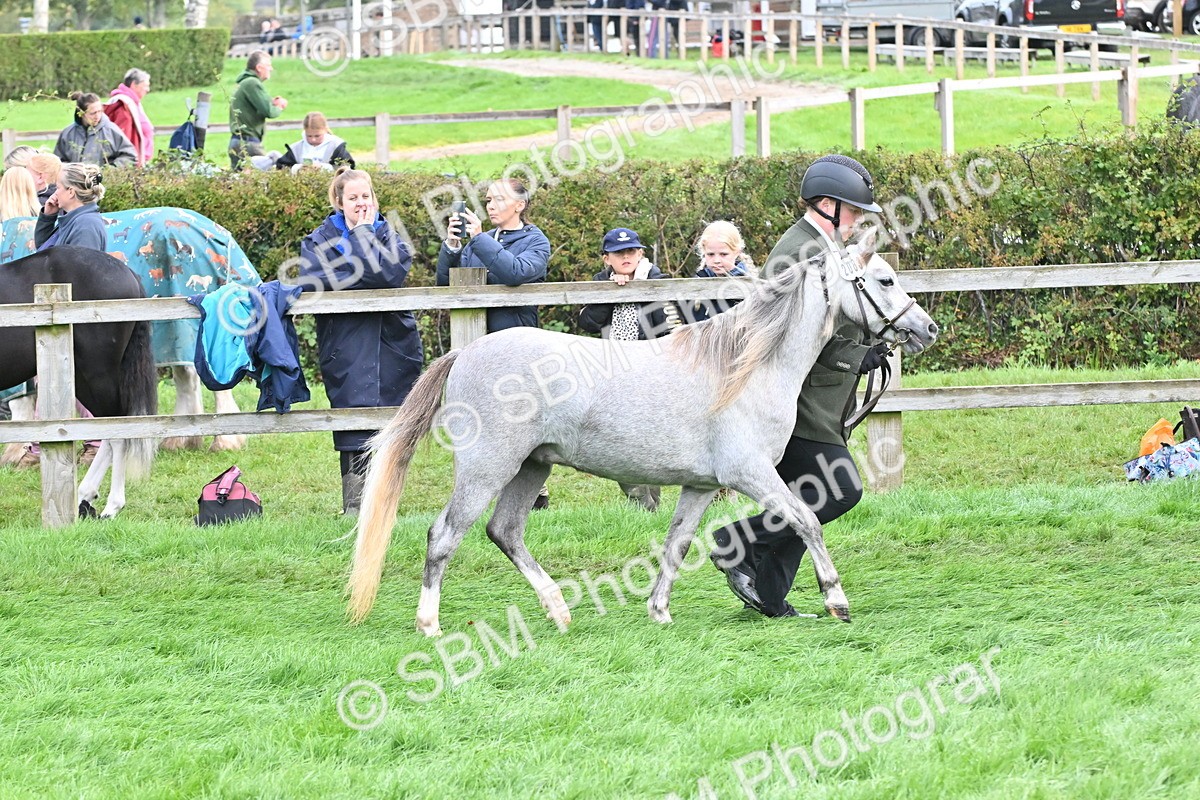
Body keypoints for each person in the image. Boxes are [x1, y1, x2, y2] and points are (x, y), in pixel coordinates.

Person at [709, 154, 891, 619]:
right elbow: (786, 332)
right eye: (853, 210)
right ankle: (735, 542)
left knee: (804, 494)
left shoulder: (825, 245)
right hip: (799, 402)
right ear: (828, 205)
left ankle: (770, 598)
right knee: (840, 489)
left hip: (819, 398)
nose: (856, 220)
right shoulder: (798, 251)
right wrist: (855, 356)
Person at [295, 167, 424, 515]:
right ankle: (354, 505)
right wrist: (367, 272)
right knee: (352, 418)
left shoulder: (388, 235)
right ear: (339, 202)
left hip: (392, 342)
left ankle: (386, 503)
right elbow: (313, 278)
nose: (361, 203)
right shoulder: (319, 239)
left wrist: (363, 239)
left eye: (366, 196)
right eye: (353, 198)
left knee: (393, 421)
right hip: (345, 342)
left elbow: (389, 275)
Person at [436, 177, 551, 505]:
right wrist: (452, 247)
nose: (490, 205)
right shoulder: (480, 240)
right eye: (487, 199)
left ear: (520, 205)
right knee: (479, 417)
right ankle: (475, 490)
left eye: (499, 199)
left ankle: (534, 492)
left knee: (519, 418)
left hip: (517, 347)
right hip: (477, 344)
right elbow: (446, 284)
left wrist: (479, 239)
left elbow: (515, 273)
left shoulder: (535, 240)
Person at [578, 227, 678, 512]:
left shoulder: (658, 279)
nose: (626, 257)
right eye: (619, 253)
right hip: (613, 369)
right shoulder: (601, 281)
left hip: (651, 369)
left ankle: (651, 506)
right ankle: (640, 502)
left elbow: (667, 324)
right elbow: (587, 322)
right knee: (619, 435)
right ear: (606, 258)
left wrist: (639, 288)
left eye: (631, 251)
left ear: (641, 253)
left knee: (649, 435)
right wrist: (612, 292)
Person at [680, 220, 755, 324]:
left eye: (723, 254)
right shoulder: (697, 283)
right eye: (710, 254)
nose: (716, 260)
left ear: (736, 252)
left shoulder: (749, 287)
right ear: (704, 252)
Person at [229, 51, 288, 170]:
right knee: (263, 177)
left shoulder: (244, 82)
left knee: (238, 180)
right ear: (259, 67)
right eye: (268, 65)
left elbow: (259, 105)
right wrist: (279, 106)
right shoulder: (252, 83)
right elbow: (269, 112)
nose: (271, 69)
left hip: (237, 142)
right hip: (248, 144)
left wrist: (271, 102)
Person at [34, 162, 107, 251]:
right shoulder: (75, 219)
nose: (55, 193)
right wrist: (48, 217)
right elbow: (43, 250)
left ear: (71, 192)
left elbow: (82, 260)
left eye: (58, 188)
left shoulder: (86, 225)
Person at [53, 92, 136, 168]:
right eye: (93, 113)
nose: (97, 116)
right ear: (81, 114)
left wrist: (110, 170)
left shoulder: (111, 130)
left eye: (100, 111)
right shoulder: (67, 134)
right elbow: (57, 162)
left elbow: (130, 156)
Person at [103, 68, 154, 167]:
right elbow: (122, 138)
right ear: (134, 84)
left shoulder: (133, 102)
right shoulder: (124, 106)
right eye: (145, 85)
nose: (148, 90)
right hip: (130, 163)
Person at [274, 112, 355, 172]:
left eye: (317, 136)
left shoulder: (336, 146)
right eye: (309, 136)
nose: (313, 139)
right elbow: (281, 167)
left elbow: (348, 168)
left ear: (325, 130)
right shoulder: (296, 148)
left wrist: (324, 168)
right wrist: (298, 168)